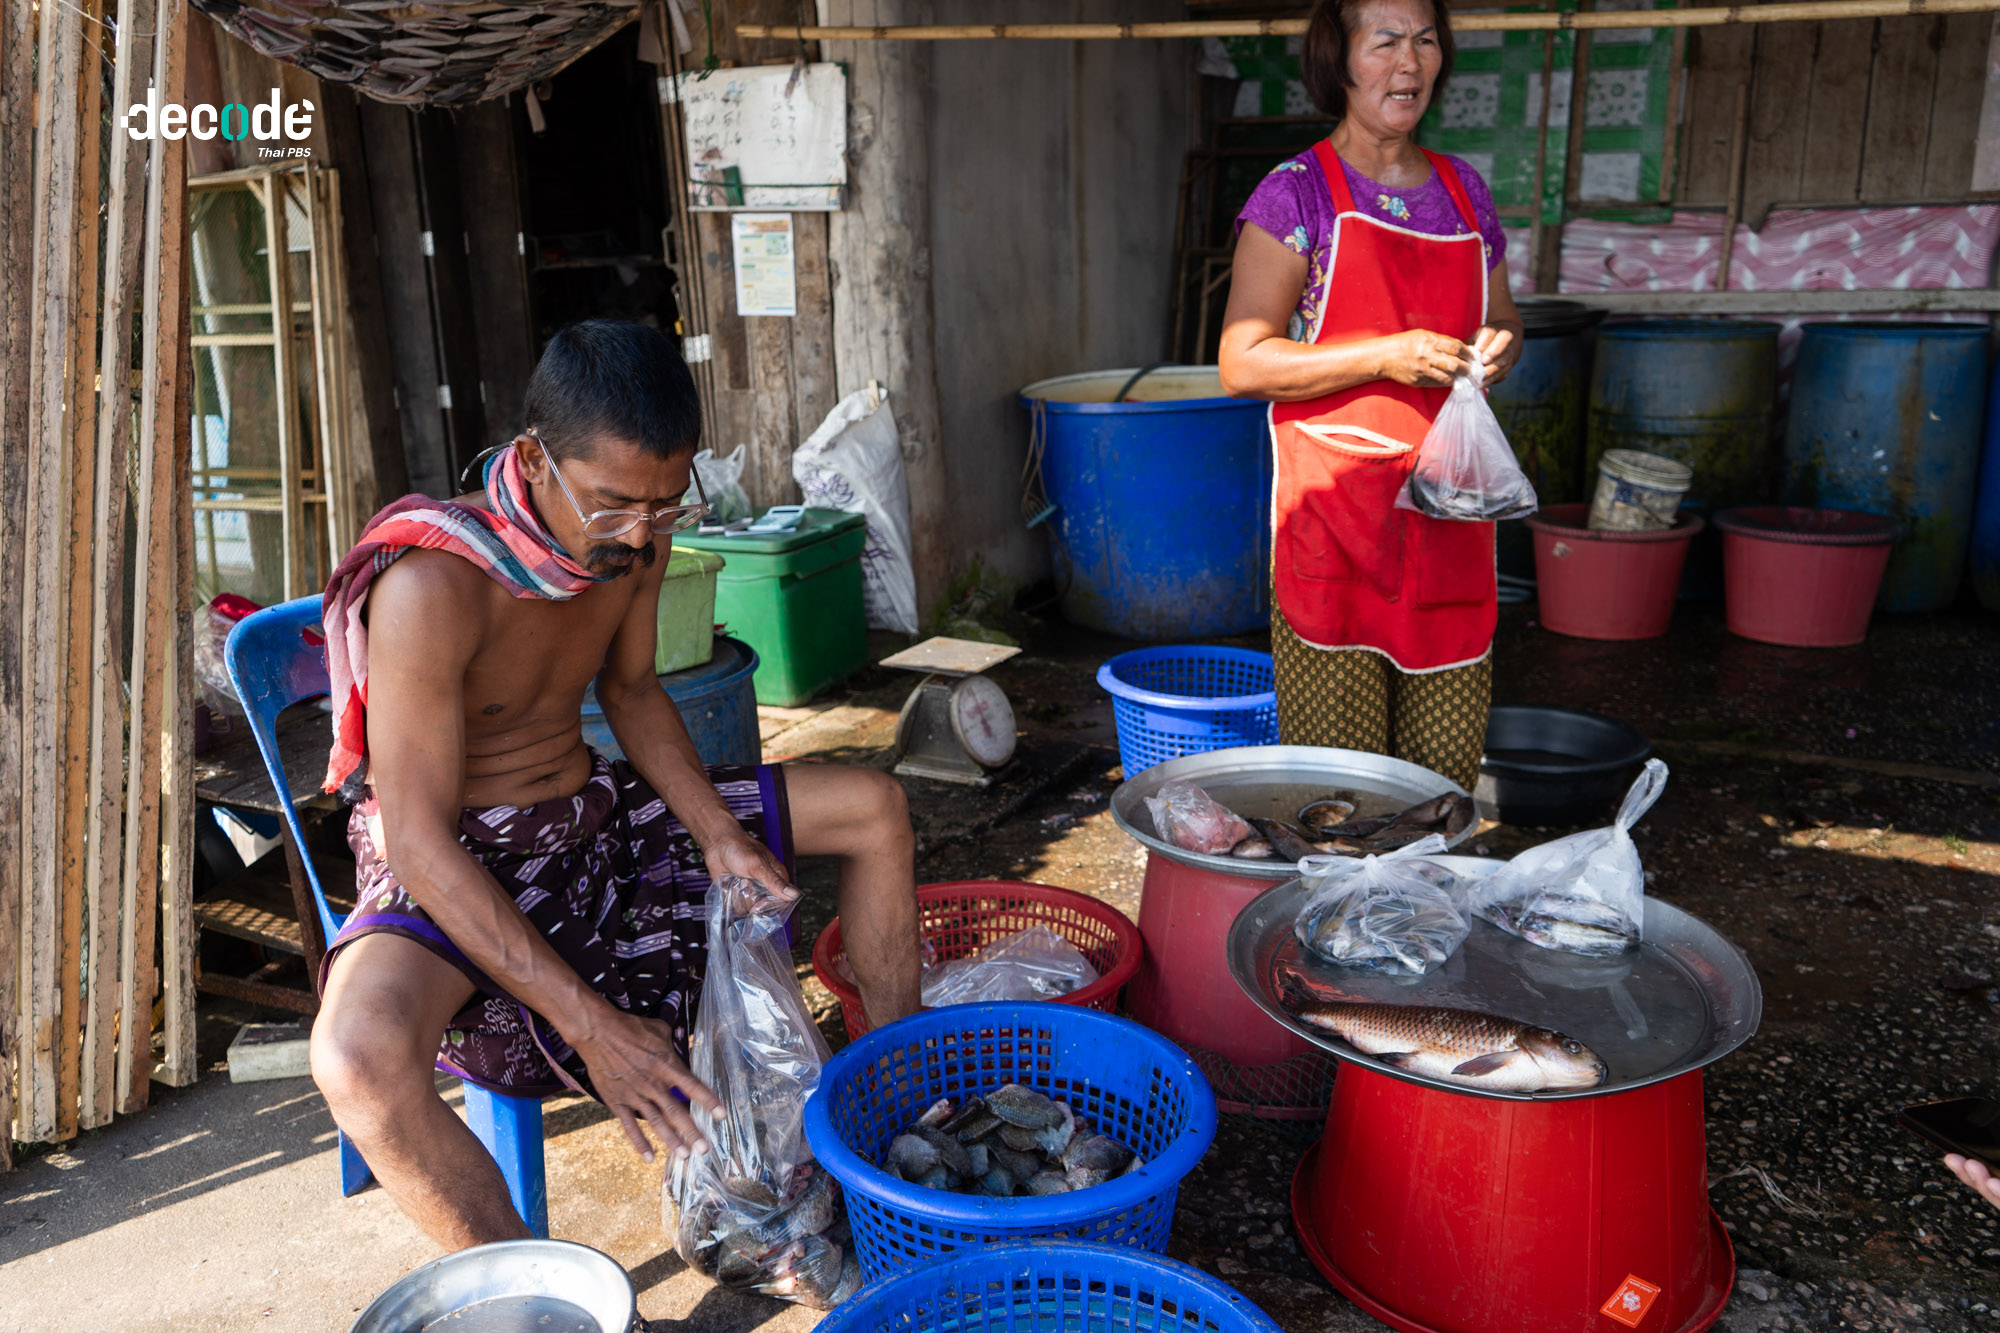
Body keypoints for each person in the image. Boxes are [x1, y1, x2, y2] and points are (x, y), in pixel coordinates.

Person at [307, 320, 921, 1251]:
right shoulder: (434, 586)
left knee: (876, 807)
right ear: (532, 460)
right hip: (457, 859)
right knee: (355, 1058)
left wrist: (716, 829)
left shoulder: (637, 538)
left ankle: (904, 1114)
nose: (639, 535)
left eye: (665, 504)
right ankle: (533, 1296)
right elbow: (422, 846)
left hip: (596, 820)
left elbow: (631, 691)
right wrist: (593, 1024)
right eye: (612, 503)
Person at [1218, 0, 1525, 794]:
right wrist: (1387, 355)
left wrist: (1498, 349)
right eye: (1385, 40)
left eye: (1425, 41)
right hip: (1336, 528)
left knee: (1440, 786)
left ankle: (1418, 919)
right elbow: (1243, 362)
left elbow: (1506, 322)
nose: (1410, 62)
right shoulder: (1297, 195)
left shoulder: (1466, 192)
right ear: (1339, 62)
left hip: (1447, 520)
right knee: (1342, 796)